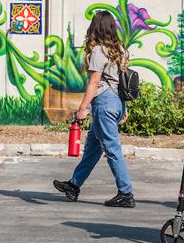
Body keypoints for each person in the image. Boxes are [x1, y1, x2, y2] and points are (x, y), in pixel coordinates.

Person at [53, 11, 134, 208]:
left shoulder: (99, 50)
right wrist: (122, 108)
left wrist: (82, 108)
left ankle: (126, 193)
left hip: (104, 104)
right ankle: (74, 185)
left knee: (112, 149)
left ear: (95, 28)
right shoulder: (121, 50)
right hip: (115, 103)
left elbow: (94, 83)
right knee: (92, 149)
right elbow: (121, 83)